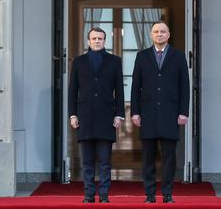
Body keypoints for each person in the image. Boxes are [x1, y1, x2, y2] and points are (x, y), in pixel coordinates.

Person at [131, 21, 189, 204]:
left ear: (169, 34)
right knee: (147, 157)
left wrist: (183, 112)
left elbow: (184, 87)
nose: (159, 34)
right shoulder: (142, 56)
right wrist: (135, 112)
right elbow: (135, 87)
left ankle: (168, 194)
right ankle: (149, 194)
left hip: (171, 114)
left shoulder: (178, 57)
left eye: (163, 31)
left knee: (169, 158)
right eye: (156, 31)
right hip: (147, 114)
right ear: (150, 35)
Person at [68, 27, 124, 203]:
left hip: (107, 116)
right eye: (94, 38)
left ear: (104, 41)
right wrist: (72, 115)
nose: (97, 41)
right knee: (87, 161)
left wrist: (119, 115)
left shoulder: (115, 61)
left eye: (100, 38)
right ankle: (89, 194)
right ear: (88, 41)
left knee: (105, 160)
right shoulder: (79, 61)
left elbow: (120, 91)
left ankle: (105, 194)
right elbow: (72, 91)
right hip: (84, 116)